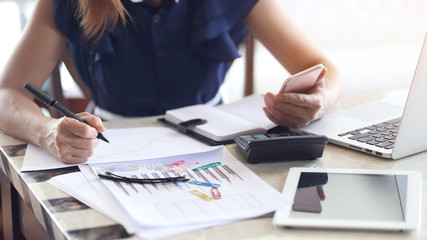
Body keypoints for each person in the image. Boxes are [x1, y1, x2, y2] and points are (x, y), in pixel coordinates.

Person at [0, 0, 343, 164]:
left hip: (217, 145)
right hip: (105, 144)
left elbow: (323, 69)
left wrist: (318, 102)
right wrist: (46, 131)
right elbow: (7, 93)